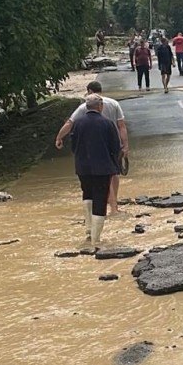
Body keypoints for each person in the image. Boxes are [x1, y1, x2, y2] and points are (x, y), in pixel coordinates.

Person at [55, 80, 130, 219]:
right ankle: (114, 207)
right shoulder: (114, 103)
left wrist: (59, 137)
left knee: (99, 178)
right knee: (113, 174)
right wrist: (125, 146)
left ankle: (101, 210)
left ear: (89, 91)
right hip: (112, 144)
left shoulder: (85, 106)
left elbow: (70, 123)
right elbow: (121, 126)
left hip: (94, 147)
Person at [69, 94, 122, 248]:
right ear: (100, 107)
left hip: (82, 167)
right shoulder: (107, 123)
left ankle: (88, 229)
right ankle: (95, 239)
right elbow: (115, 147)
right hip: (103, 168)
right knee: (100, 199)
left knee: (87, 194)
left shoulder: (77, 123)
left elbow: (73, 147)